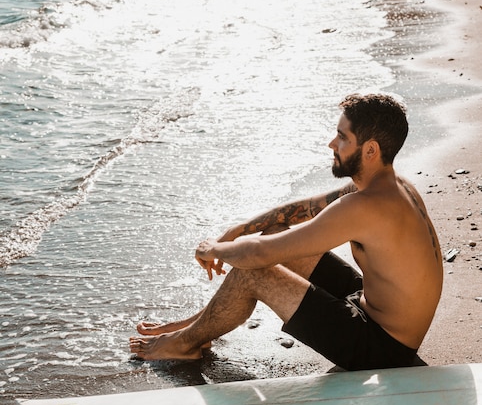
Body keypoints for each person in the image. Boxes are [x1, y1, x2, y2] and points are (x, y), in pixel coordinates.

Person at [130, 93, 443, 371]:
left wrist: (211, 248)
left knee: (253, 272)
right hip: (370, 304)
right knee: (274, 231)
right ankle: (198, 327)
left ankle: (185, 344)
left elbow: (260, 255)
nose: (331, 144)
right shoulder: (393, 187)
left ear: (370, 150)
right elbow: (302, 209)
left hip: (382, 348)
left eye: (342, 137)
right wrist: (239, 229)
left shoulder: (366, 207)